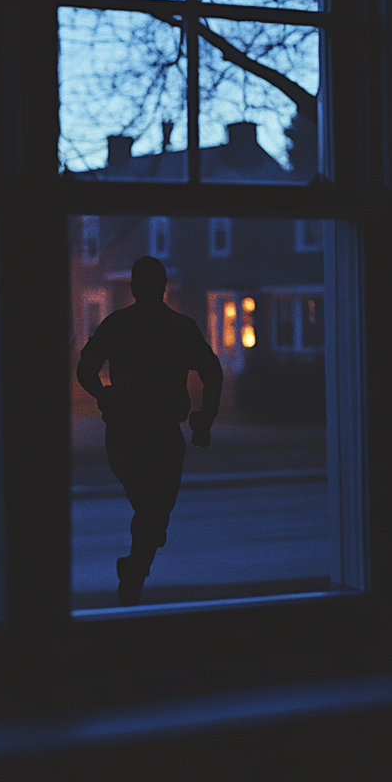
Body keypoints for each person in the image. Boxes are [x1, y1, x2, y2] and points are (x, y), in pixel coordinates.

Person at [77, 255, 223, 606]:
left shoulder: (117, 325)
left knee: (151, 512)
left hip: (128, 434)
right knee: (154, 513)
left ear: (132, 288)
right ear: (163, 287)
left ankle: (132, 574)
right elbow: (212, 373)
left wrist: (103, 394)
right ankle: (132, 577)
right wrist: (205, 417)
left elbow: (85, 368)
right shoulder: (180, 328)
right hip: (160, 434)